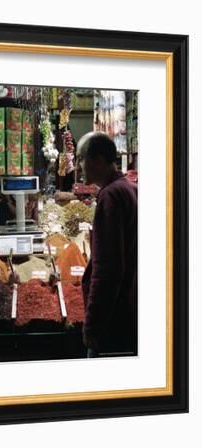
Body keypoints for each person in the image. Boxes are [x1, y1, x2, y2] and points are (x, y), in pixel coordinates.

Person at [76, 132, 138, 357]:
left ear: (99, 160)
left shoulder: (110, 196)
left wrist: (92, 325)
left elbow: (107, 269)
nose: (79, 165)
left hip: (113, 320)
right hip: (129, 309)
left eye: (82, 158)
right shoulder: (128, 188)